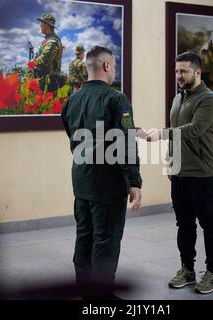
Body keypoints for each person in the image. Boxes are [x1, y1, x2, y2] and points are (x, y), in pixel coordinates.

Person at [61, 46, 142, 299]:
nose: (114, 70)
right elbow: (126, 142)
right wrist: (134, 181)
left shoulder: (71, 100)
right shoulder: (117, 99)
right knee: (105, 241)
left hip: (82, 181)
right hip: (108, 185)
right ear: (106, 66)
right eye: (114, 66)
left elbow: (72, 134)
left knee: (84, 237)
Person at [146, 52, 213, 294]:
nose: (179, 75)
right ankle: (187, 269)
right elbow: (177, 135)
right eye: (177, 71)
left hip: (202, 173)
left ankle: (212, 273)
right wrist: (169, 161)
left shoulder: (208, 99)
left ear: (197, 72)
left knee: (209, 223)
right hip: (179, 173)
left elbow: (195, 129)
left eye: (184, 71)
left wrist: (161, 133)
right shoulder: (178, 98)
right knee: (184, 224)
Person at [31, 13, 63, 92]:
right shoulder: (48, 40)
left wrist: (32, 63)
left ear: (47, 25)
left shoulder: (52, 41)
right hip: (44, 82)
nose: (40, 25)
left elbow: (45, 60)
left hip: (48, 84)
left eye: (42, 23)